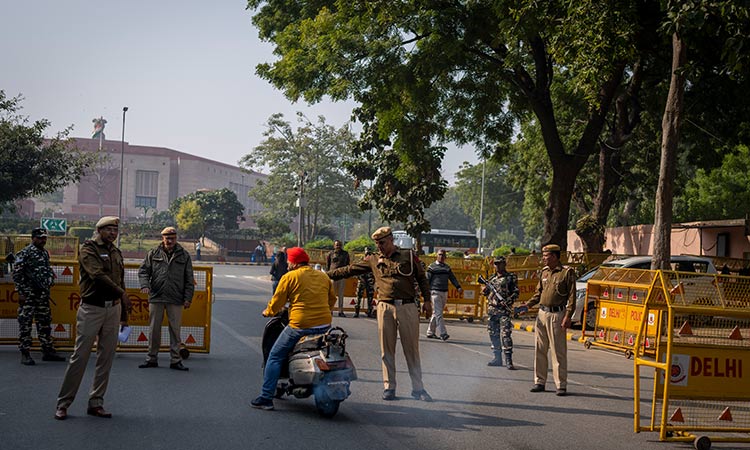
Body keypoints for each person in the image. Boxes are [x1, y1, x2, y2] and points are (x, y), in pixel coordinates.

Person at [327, 226, 433, 402]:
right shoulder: (373, 259)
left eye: (382, 243)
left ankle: (418, 388)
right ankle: (389, 387)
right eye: (377, 244)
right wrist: (324, 275)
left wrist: (427, 301)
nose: (380, 247)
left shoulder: (408, 256)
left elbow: (422, 278)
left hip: (407, 306)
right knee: (387, 350)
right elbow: (349, 270)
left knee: (411, 350)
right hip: (384, 307)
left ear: (391, 240)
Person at [55, 216, 131, 420]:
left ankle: (96, 402)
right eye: (109, 230)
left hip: (112, 309)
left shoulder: (116, 251)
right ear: (99, 230)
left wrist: (124, 313)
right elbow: (97, 275)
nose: (113, 233)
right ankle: (63, 403)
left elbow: (120, 281)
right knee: (80, 357)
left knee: (106, 359)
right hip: (92, 309)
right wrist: (121, 293)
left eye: (115, 230)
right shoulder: (89, 249)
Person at [251, 247, 336, 411]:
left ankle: (266, 398)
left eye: (289, 260)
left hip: (300, 325)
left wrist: (268, 312)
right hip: (325, 325)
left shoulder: (289, 277)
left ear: (294, 262)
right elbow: (331, 299)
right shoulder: (322, 276)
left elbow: (277, 302)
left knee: (275, 356)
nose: (288, 263)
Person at [137, 226, 195, 371]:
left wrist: (188, 298)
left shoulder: (184, 255)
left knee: (175, 331)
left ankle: (175, 360)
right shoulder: (153, 253)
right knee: (154, 330)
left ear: (176, 239)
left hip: (176, 298)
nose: (170, 240)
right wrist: (145, 285)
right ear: (162, 238)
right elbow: (143, 271)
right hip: (156, 296)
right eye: (167, 238)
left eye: (172, 238)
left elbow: (189, 279)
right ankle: (151, 358)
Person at [523, 243, 576, 396]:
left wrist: (567, 316)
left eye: (546, 256)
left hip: (557, 315)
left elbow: (572, 297)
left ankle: (561, 385)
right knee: (540, 349)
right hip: (542, 313)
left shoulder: (566, 273)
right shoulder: (544, 272)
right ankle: (539, 381)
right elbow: (538, 293)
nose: (543, 259)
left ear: (554, 256)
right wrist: (527, 305)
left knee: (558, 351)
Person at [12, 227, 66, 365]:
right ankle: (25, 353)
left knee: (45, 323)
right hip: (29, 294)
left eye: (44, 238)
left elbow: (47, 270)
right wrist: (21, 292)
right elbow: (17, 274)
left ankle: (47, 351)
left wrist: (49, 281)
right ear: (33, 238)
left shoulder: (44, 254)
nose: (43, 240)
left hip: (42, 294)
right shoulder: (25, 253)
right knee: (26, 324)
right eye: (40, 238)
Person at [483, 256, 519, 369]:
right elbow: (487, 292)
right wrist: (485, 291)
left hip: (504, 311)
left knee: (506, 335)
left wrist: (508, 301)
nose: (498, 266)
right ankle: (497, 358)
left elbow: (516, 292)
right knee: (493, 335)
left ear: (504, 264)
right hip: (492, 311)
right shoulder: (492, 278)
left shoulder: (510, 278)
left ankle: (508, 359)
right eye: (496, 264)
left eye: (500, 263)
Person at [425, 249, 462, 341]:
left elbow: (452, 278)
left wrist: (458, 287)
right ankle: (443, 333)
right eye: (440, 255)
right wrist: (425, 292)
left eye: (443, 255)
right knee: (439, 313)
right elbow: (427, 280)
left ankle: (430, 332)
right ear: (437, 256)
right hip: (435, 292)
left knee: (437, 313)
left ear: (445, 257)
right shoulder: (432, 267)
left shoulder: (447, 268)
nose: (441, 257)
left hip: (444, 292)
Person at [326, 239, 350, 317]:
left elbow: (347, 264)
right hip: (332, 277)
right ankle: (330, 310)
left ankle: (341, 311)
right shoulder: (330, 254)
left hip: (341, 277)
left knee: (341, 295)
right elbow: (328, 265)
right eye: (336, 245)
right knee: (331, 295)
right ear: (334, 246)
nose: (338, 246)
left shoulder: (345, 254)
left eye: (339, 245)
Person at [354, 249, 375, 318]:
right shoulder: (361, 262)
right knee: (358, 297)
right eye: (366, 254)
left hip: (370, 281)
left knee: (370, 297)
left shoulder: (373, 262)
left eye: (369, 254)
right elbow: (357, 270)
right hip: (362, 280)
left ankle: (369, 311)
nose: (368, 255)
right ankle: (356, 312)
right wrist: (360, 278)